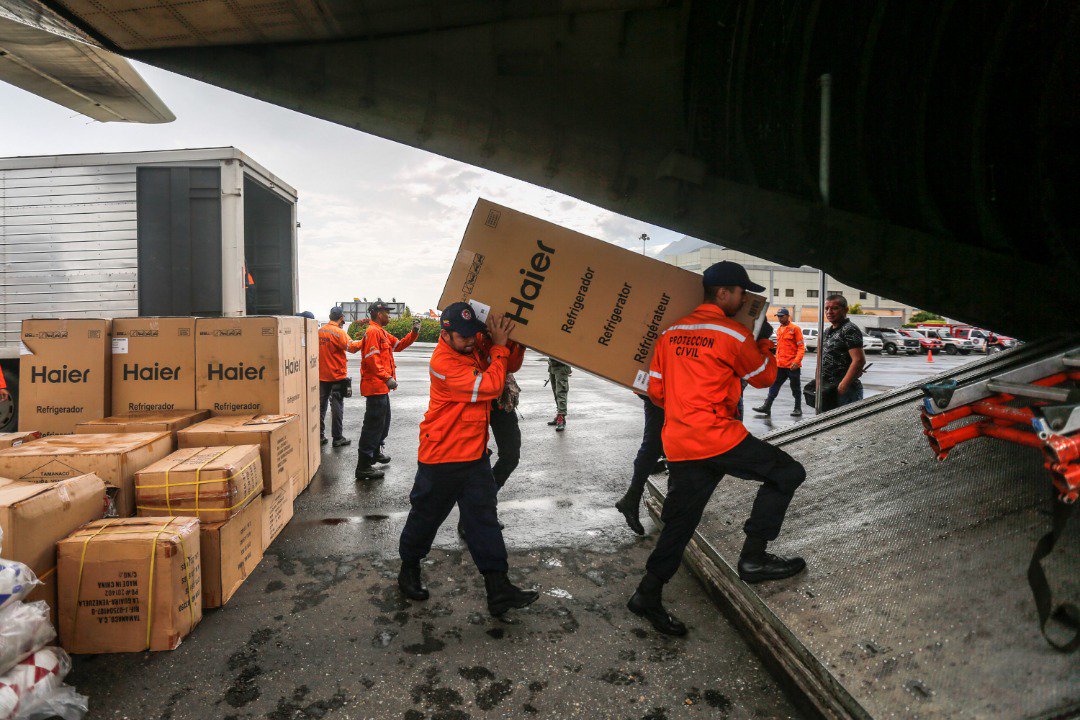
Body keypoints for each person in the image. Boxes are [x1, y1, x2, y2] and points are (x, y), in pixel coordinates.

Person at [628, 261, 807, 636]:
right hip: (718, 436)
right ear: (723, 292)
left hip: (680, 442)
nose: (744, 299)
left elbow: (656, 392)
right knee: (788, 473)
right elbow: (765, 378)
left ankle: (647, 594)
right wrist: (763, 344)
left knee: (680, 523)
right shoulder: (732, 334)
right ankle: (754, 559)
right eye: (742, 292)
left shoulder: (670, 334)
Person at [397, 303, 540, 617]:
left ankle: (498, 588)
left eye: (473, 334)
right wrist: (499, 348)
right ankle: (408, 568)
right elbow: (489, 385)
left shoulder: (470, 348)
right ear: (444, 333)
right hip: (442, 458)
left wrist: (509, 338)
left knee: (483, 521)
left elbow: (508, 364)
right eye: (462, 336)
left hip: (474, 458)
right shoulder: (444, 362)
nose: (470, 340)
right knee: (426, 517)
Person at [355, 301, 419, 481]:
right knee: (373, 427)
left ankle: (374, 453)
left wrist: (414, 333)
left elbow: (398, 345)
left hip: (381, 387)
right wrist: (386, 377)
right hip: (375, 386)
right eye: (386, 312)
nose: (389, 316)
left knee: (383, 424)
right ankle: (363, 467)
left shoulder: (381, 332)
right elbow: (371, 359)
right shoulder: (373, 332)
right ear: (377, 313)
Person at [615, 393, 666, 535]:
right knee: (654, 444)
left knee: (658, 443)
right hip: (663, 394)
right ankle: (631, 498)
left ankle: (632, 498)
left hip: (660, 392)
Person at [318, 306, 363, 447]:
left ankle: (319, 436)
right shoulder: (339, 333)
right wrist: (365, 340)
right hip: (336, 375)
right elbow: (352, 348)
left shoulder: (319, 331)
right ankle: (337, 438)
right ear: (341, 318)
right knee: (336, 405)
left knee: (320, 406)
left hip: (321, 375)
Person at [753, 308, 805, 417]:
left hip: (792, 366)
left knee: (795, 388)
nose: (780, 318)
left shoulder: (795, 329)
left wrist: (796, 361)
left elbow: (801, 347)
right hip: (780, 365)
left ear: (787, 316)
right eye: (779, 316)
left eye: (782, 316)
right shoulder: (780, 329)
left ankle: (797, 408)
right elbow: (780, 347)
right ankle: (767, 407)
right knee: (774, 385)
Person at [819, 294, 866, 411]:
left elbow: (859, 360)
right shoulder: (827, 331)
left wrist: (843, 386)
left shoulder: (849, 329)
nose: (829, 312)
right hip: (828, 388)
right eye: (826, 308)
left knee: (846, 427)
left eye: (834, 308)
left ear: (845, 310)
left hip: (845, 391)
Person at [546, 358, 571, 431]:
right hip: (552, 365)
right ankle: (559, 414)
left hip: (561, 366)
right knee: (555, 392)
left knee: (561, 392)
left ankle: (561, 417)